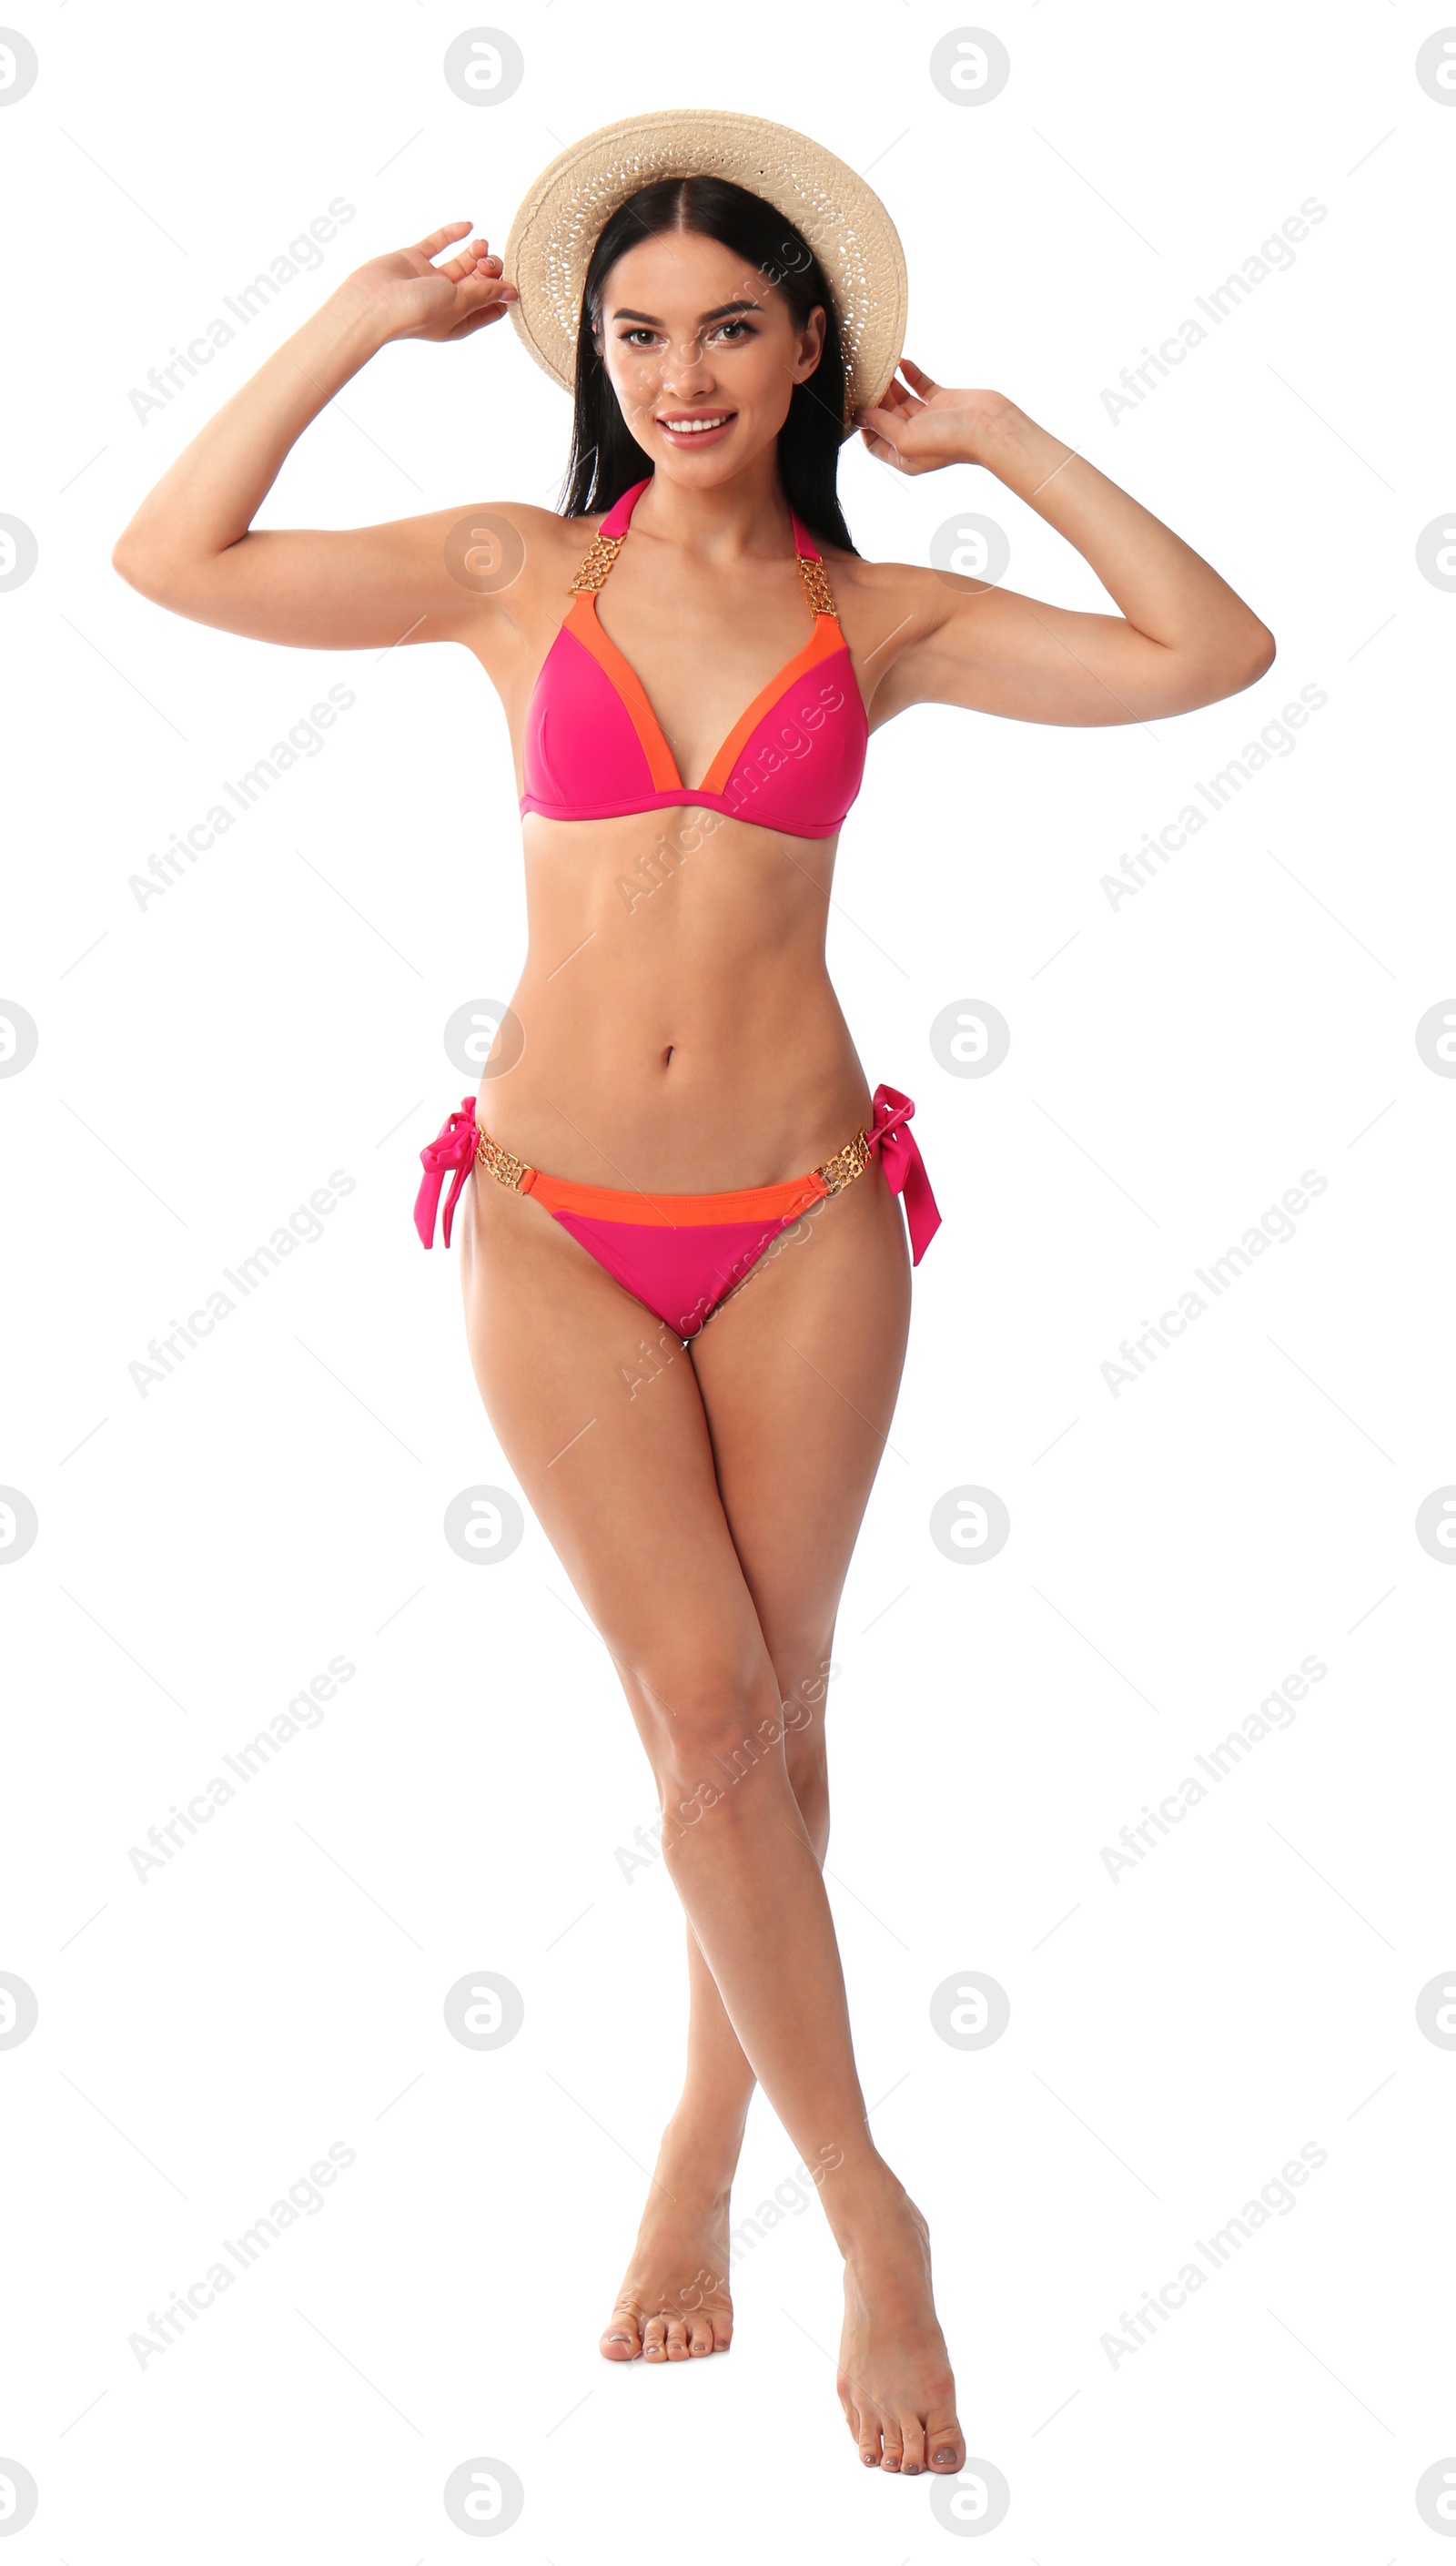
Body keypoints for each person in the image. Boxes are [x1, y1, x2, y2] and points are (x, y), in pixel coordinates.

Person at [112, 109, 1274, 2477]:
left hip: (804, 1222)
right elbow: (170, 553)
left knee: (775, 1720)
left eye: (731, 324)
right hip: (548, 1212)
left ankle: (698, 2145)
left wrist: (1010, 443)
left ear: (813, 340)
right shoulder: (510, 571)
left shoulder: (881, 619)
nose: (681, 370)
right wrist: (357, 320)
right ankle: (875, 2211)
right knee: (707, 1710)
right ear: (593, 354)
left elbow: (1211, 649)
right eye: (637, 332)